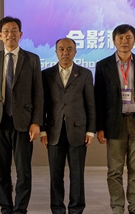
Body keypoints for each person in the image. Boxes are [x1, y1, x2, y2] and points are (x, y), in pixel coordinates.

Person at [0, 16, 44, 214]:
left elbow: (38, 93)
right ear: (0, 35)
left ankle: (20, 209)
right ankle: (6, 208)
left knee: (24, 171)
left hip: (24, 123)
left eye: (14, 30)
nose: (10, 34)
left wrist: (36, 122)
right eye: (6, 31)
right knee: (2, 171)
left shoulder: (32, 59)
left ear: (21, 34)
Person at [95, 24, 135, 214]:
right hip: (114, 123)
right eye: (120, 38)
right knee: (114, 170)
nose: (124, 41)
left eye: (128, 37)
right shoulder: (103, 65)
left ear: (134, 40)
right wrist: (100, 126)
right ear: (114, 40)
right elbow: (99, 98)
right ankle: (117, 206)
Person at [41, 38, 95, 214]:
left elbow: (90, 104)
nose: (65, 52)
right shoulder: (46, 74)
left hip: (78, 131)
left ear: (75, 52)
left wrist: (90, 130)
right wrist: (42, 130)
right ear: (56, 52)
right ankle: (57, 209)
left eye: (69, 49)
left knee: (77, 175)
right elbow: (42, 104)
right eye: (61, 49)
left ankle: (76, 209)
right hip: (53, 131)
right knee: (55, 175)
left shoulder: (85, 74)